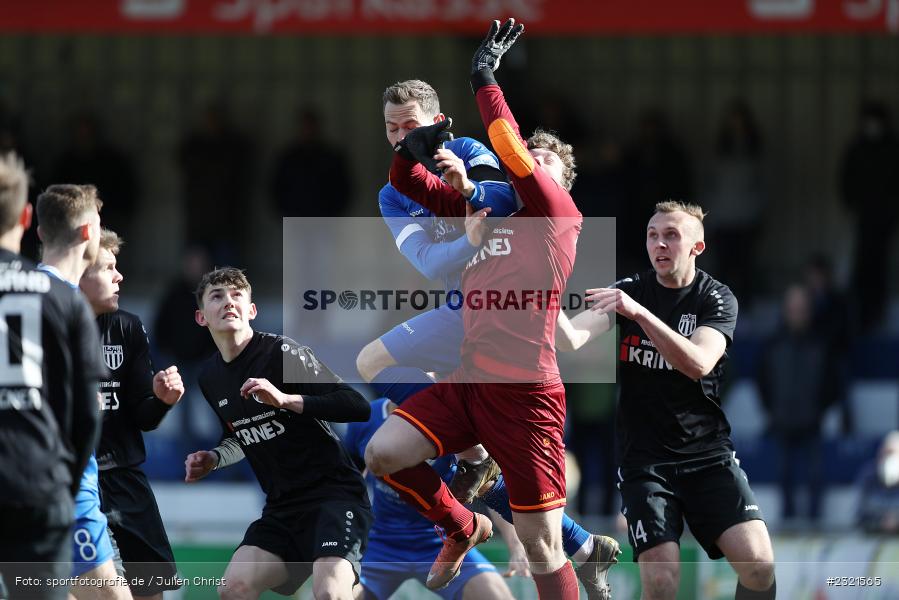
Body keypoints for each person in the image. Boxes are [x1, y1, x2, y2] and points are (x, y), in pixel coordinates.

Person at [365, 19, 619, 600]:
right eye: (531, 158)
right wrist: (413, 151)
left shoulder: (556, 216)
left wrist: (483, 78)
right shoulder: (491, 210)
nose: (531, 163)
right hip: (469, 379)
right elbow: (412, 184)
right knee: (382, 452)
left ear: (563, 183)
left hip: (525, 393)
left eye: (544, 163)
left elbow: (505, 142)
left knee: (540, 547)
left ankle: (575, 551)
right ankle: (460, 523)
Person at [558, 200, 776, 599]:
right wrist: (540, 288)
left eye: (672, 236)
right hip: (646, 462)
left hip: (707, 455)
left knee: (759, 566)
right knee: (661, 582)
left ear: (697, 247)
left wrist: (639, 314)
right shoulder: (629, 291)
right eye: (653, 235)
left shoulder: (716, 298)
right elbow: (570, 340)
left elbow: (698, 363)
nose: (660, 244)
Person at [183, 267, 372, 600]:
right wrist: (214, 458)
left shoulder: (281, 353)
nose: (228, 302)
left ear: (252, 310)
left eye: (237, 294)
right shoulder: (208, 377)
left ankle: (353, 588)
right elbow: (240, 436)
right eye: (217, 296)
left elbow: (356, 405)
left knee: (328, 593)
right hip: (282, 509)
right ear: (201, 317)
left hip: (334, 497)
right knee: (232, 588)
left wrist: (286, 400)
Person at [0, 153, 105, 599]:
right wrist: (62, 483)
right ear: (26, 218)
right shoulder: (64, 300)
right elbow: (87, 416)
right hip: (37, 484)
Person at [36, 183, 133, 600]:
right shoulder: (67, 303)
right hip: (66, 489)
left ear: (39, 231)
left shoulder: (17, 289)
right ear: (90, 234)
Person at [79, 229, 183, 599]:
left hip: (124, 477)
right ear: (80, 272)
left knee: (151, 592)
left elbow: (144, 418)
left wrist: (162, 400)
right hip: (73, 480)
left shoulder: (127, 326)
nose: (119, 276)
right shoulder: (51, 322)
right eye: (109, 268)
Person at [342, 398, 524, 600]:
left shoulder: (450, 418)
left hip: (444, 539)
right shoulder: (366, 417)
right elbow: (346, 486)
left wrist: (516, 545)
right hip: (380, 542)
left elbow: (489, 487)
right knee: (335, 592)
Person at [757, 283, 835, 524]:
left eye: (801, 308)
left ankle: (816, 523)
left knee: (815, 476)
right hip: (781, 421)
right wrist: (773, 410)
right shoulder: (773, 345)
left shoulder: (822, 344)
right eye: (792, 308)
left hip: (813, 421)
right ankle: (788, 523)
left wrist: (819, 409)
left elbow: (831, 383)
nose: (797, 313)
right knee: (783, 476)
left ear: (809, 311)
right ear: (785, 310)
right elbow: (763, 382)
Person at [856, 431, 899, 534]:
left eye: (892, 453)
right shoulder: (868, 474)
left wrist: (896, 519)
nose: (888, 457)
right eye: (886, 452)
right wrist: (881, 521)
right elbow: (859, 512)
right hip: (874, 533)